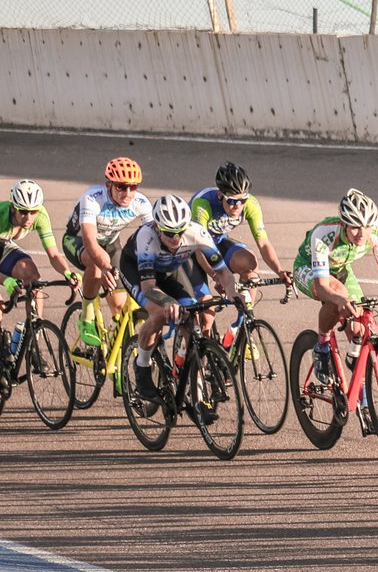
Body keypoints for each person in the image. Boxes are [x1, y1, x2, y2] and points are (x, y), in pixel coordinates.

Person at [118, 195, 237, 401]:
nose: (176, 238)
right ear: (157, 227)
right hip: (137, 272)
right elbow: (148, 288)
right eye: (169, 233)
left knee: (192, 319)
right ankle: (142, 367)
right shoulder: (147, 237)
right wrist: (167, 301)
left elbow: (224, 272)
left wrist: (232, 291)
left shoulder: (196, 232)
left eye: (180, 231)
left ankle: (196, 391)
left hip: (170, 270)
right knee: (158, 315)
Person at [293, 188, 378, 385]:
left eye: (366, 227)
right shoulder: (325, 233)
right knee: (339, 295)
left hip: (340, 268)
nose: (362, 234)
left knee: (358, 324)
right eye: (355, 228)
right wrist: (340, 300)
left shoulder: (376, 231)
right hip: (308, 267)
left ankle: (359, 389)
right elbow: (323, 286)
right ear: (344, 224)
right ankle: (322, 346)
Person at [190, 162, 294, 348]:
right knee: (207, 317)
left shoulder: (250, 204)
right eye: (232, 201)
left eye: (242, 200)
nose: (237, 205)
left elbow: (263, 243)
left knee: (250, 265)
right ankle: (199, 356)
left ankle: (240, 329)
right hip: (192, 250)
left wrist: (279, 271)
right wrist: (216, 276)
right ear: (220, 195)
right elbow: (199, 250)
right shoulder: (203, 204)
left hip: (218, 242)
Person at [62, 157, 153, 347]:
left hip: (110, 243)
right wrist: (104, 266)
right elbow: (89, 240)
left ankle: (113, 346)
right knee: (96, 267)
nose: (127, 193)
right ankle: (87, 316)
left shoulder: (141, 202)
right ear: (109, 184)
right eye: (121, 187)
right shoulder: (92, 199)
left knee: (119, 304)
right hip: (78, 240)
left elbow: (153, 238)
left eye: (133, 187)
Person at [1, 181, 79, 325]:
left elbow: (54, 255)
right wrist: (5, 279)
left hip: (3, 244)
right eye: (23, 211)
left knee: (33, 278)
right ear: (13, 207)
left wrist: (67, 273)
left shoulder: (41, 216)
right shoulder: (1, 215)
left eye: (33, 212)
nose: (29, 218)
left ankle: (35, 328)